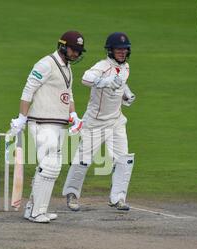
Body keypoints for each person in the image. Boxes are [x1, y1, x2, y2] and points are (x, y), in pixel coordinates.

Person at [9, 31, 85, 223]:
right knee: (50, 165)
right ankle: (36, 212)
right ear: (62, 46)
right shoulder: (45, 64)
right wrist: (21, 118)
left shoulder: (67, 68)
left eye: (78, 51)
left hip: (58, 123)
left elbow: (69, 95)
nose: (76, 54)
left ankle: (34, 209)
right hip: (41, 122)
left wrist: (73, 115)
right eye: (73, 49)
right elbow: (29, 89)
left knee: (50, 166)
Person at [62, 32, 136, 211]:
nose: (122, 53)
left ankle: (118, 198)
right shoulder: (102, 66)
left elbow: (121, 83)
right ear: (110, 50)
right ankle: (72, 195)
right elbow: (86, 78)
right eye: (118, 50)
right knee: (83, 159)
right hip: (95, 122)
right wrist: (103, 81)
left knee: (123, 159)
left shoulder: (126, 67)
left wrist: (126, 94)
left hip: (116, 121)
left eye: (124, 50)